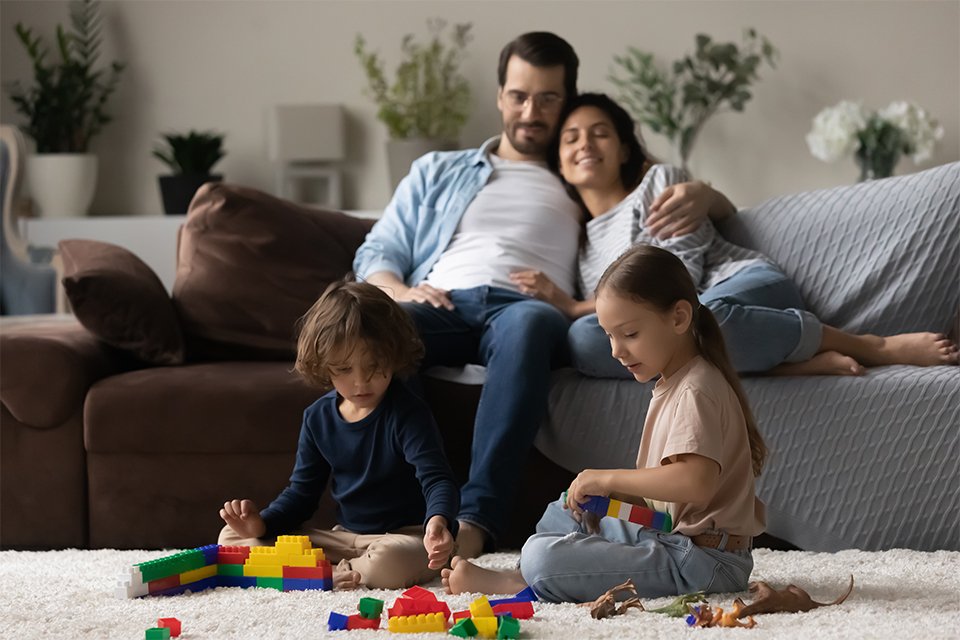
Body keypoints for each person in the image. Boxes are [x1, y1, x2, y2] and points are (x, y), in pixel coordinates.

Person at [352, 33, 733, 559]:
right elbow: (380, 247)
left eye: (548, 98)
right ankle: (406, 522)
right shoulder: (439, 169)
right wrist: (397, 291)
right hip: (438, 300)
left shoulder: (581, 168)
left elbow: (653, 204)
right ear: (500, 96)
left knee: (529, 324)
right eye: (518, 96)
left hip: (524, 311)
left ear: (567, 99)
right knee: (377, 334)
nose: (531, 111)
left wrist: (706, 193)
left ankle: (475, 522)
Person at [510, 93, 959, 376]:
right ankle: (786, 365)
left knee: (702, 318)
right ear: (560, 164)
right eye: (570, 138)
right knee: (585, 342)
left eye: (599, 133)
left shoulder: (659, 183)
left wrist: (571, 305)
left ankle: (873, 346)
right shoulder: (580, 243)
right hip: (681, 327)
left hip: (742, 288)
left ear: (624, 147)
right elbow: (620, 328)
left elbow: (675, 280)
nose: (584, 144)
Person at [442, 244, 766, 601]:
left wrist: (607, 477)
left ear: (678, 318)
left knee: (543, 556)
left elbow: (696, 483)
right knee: (570, 506)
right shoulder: (673, 383)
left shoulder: (696, 389)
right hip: (673, 537)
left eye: (629, 334)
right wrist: (610, 492)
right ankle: (532, 574)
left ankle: (525, 582)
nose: (615, 351)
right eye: (609, 335)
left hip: (706, 561)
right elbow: (671, 497)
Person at [217, 280, 459, 590]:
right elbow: (301, 496)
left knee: (390, 562)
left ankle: (316, 572)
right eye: (344, 369)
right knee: (232, 538)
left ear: (394, 354)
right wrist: (261, 523)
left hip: (405, 538)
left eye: (374, 365)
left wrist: (438, 521)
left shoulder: (408, 413)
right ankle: (331, 571)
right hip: (342, 537)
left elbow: (437, 480)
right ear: (323, 365)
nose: (361, 381)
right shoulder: (317, 417)